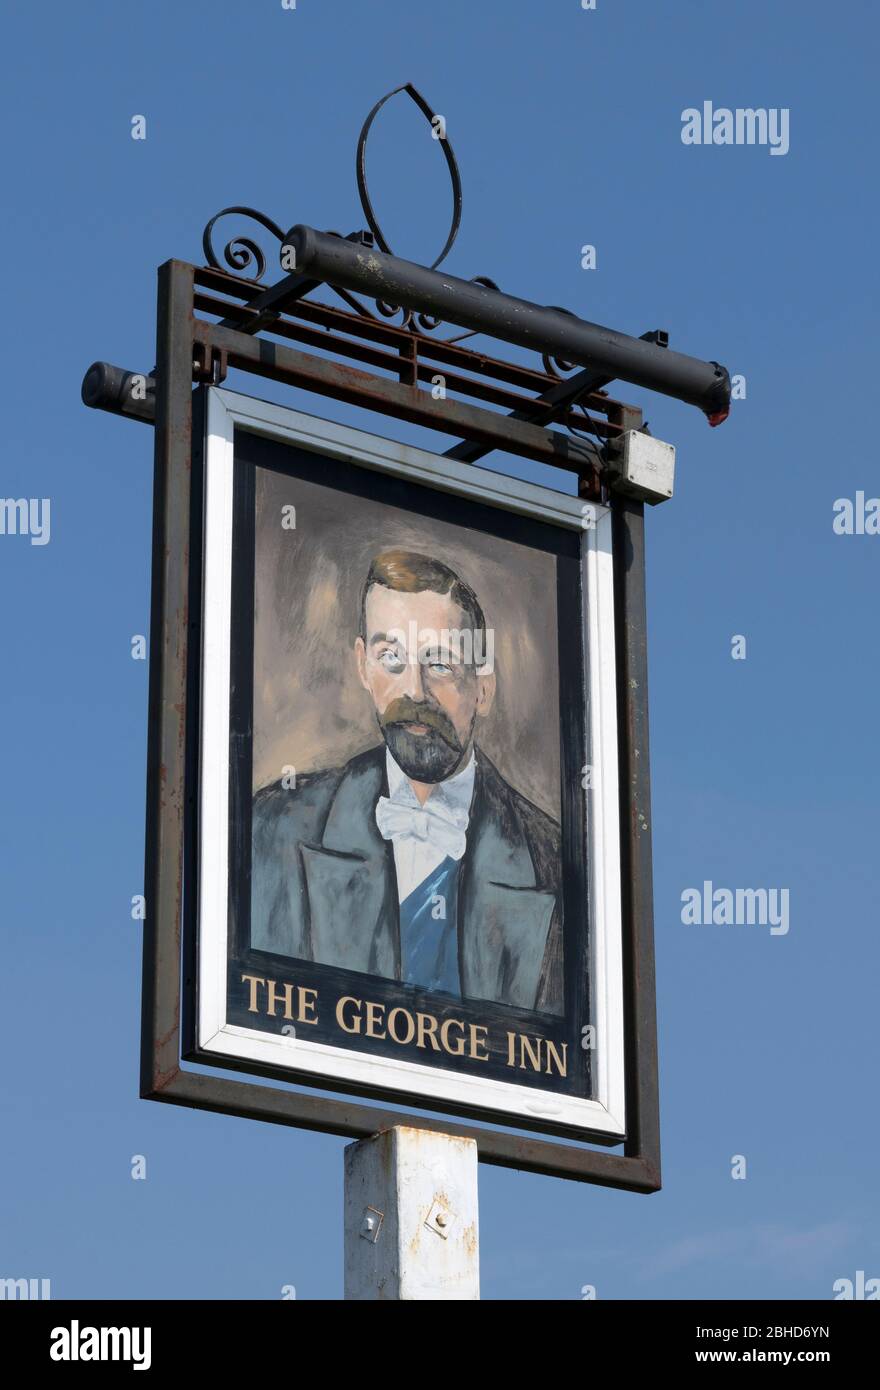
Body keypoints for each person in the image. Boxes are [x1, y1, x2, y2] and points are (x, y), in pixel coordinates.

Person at [251, 549, 563, 1014]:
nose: (414, 690)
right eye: (390, 658)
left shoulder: (556, 865)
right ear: (362, 665)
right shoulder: (273, 828)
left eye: (439, 663)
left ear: (483, 688)